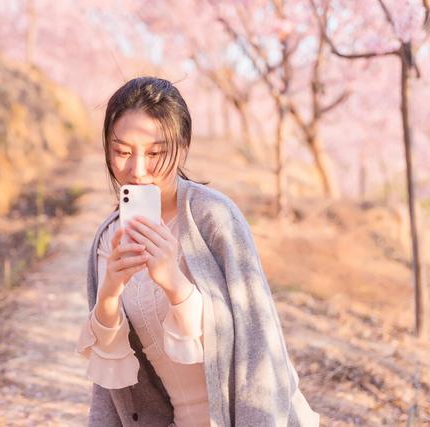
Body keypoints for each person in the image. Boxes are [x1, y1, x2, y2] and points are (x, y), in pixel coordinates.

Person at [76, 76, 319, 427]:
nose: (137, 170)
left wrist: (173, 282)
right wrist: (110, 290)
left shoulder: (213, 217)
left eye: (156, 153)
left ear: (184, 146)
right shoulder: (107, 237)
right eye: (122, 152)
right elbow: (111, 382)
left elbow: (257, 344)